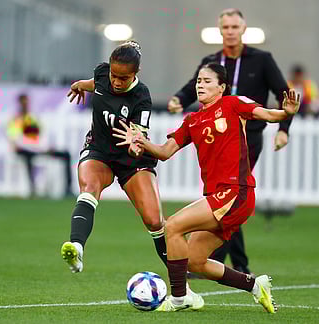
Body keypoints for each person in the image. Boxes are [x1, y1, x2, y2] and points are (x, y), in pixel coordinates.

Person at [113, 63, 300, 312]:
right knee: (194, 261)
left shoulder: (233, 104)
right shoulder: (192, 120)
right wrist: (141, 141)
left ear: (222, 87)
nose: (200, 85)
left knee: (173, 226)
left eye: (207, 81)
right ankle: (256, 286)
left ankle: (179, 298)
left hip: (236, 192)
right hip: (219, 196)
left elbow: (267, 114)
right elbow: (165, 152)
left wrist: (285, 113)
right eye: (198, 81)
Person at [59, 40, 203, 309]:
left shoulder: (141, 97)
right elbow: (96, 83)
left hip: (131, 160)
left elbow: (140, 141)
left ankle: (183, 291)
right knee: (89, 188)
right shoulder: (104, 74)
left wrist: (135, 145)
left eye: (123, 78)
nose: (116, 82)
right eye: (114, 75)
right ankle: (76, 247)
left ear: (135, 74)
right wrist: (80, 84)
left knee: (154, 221)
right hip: (99, 150)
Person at [167, 8, 292, 275]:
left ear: (243, 29)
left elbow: (283, 94)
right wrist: (179, 98)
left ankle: (215, 259)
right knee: (225, 198)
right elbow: (193, 85)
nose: (230, 32)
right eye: (226, 28)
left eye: (235, 27)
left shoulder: (262, 59)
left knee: (232, 194)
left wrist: (284, 128)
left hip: (248, 136)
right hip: (217, 133)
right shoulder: (212, 60)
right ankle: (238, 265)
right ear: (220, 30)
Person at [7, 93, 73, 198]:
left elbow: (41, 136)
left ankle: (68, 189)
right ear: (19, 103)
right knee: (27, 156)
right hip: (25, 149)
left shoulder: (33, 118)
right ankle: (32, 188)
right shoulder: (16, 120)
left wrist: (45, 147)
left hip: (39, 148)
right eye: (23, 102)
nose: (25, 104)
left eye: (26, 102)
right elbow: (15, 139)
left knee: (66, 154)